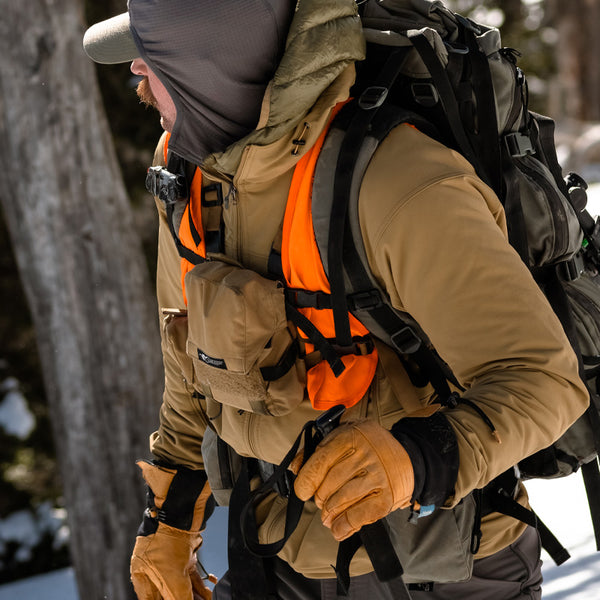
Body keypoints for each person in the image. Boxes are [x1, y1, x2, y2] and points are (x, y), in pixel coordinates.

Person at [83, 1, 589, 599]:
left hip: (442, 567)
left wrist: (416, 460)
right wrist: (169, 514)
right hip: (275, 557)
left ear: (210, 62)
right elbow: (189, 362)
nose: (136, 69)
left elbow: (544, 380)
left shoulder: (399, 184)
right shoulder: (189, 175)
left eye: (155, 53)